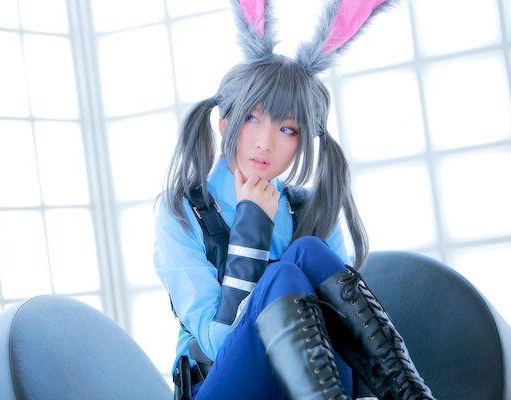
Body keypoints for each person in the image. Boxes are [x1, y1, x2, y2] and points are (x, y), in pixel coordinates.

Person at [153, 0, 435, 399]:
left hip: (317, 383)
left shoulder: (310, 210)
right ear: (224, 122)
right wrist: (251, 228)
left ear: (305, 140)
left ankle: (412, 394)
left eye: (288, 129)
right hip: (225, 383)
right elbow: (217, 343)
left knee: (307, 251)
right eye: (252, 118)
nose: (265, 142)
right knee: (283, 275)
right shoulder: (183, 211)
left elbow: (343, 337)